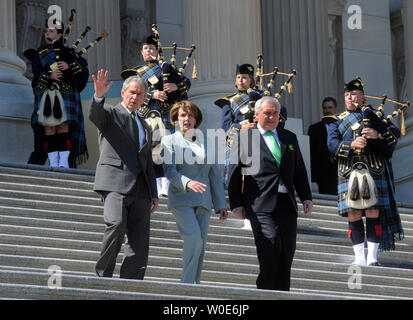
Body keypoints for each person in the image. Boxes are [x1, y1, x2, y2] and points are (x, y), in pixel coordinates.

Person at [227, 96, 313, 291]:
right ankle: (265, 291)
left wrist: (306, 197)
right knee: (271, 244)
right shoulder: (244, 138)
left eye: (275, 113)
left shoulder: (289, 137)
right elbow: (234, 173)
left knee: (287, 252)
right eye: (267, 113)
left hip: (286, 204)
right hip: (259, 204)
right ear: (256, 115)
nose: (272, 117)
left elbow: (299, 170)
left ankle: (282, 294)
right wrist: (236, 204)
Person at [327, 77, 404, 266]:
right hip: (349, 171)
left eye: (353, 94)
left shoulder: (375, 117)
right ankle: (359, 257)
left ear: (363, 97)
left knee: (372, 212)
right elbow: (332, 145)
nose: (349, 97)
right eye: (346, 94)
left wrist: (377, 136)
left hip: (374, 171)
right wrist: (351, 144)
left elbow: (391, 140)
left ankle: (373, 257)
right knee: (353, 214)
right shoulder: (336, 122)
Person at [90, 70, 159, 279]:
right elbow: (96, 115)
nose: (134, 97)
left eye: (139, 94)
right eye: (131, 92)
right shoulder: (110, 114)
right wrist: (98, 97)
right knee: (116, 224)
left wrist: (153, 193)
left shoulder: (145, 125)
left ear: (144, 98)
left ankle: (131, 282)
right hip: (115, 183)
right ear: (122, 92)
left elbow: (147, 161)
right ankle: (103, 275)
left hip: (141, 189)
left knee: (139, 240)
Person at [161, 100, 228, 284]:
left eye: (190, 115)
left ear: (196, 119)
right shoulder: (168, 140)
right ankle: (186, 284)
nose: (187, 119)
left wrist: (221, 204)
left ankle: (194, 285)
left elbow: (215, 176)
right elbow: (169, 171)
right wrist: (188, 183)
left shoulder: (208, 141)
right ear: (176, 118)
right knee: (194, 239)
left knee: (201, 246)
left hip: (204, 200)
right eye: (182, 115)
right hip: (181, 199)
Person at [121, 35, 191, 198]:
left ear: (157, 51)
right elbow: (131, 94)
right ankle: (155, 184)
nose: (148, 51)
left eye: (151, 48)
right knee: (150, 150)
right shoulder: (137, 72)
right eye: (146, 49)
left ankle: (166, 185)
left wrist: (175, 86)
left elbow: (186, 83)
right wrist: (152, 94)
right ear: (141, 51)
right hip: (146, 115)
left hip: (165, 114)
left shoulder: (166, 68)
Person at [24, 19, 89, 168]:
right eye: (46, 31)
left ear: (60, 35)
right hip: (47, 99)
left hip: (66, 98)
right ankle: (54, 162)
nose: (47, 33)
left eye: (51, 31)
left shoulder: (70, 54)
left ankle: (64, 163)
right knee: (49, 128)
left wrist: (68, 66)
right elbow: (36, 76)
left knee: (63, 127)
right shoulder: (38, 54)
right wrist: (49, 75)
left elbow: (82, 71)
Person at [307, 97, 339, 195]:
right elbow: (311, 152)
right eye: (325, 108)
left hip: (339, 171)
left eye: (330, 108)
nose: (327, 110)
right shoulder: (314, 128)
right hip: (321, 174)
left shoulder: (342, 127)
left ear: (335, 109)